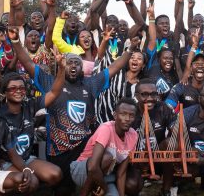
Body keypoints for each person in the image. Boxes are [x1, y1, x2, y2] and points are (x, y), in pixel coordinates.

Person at [10, 25, 138, 196]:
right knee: (64, 190)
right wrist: (15, 41)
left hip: (84, 148)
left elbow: (113, 68)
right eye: (69, 62)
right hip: (58, 150)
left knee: (98, 167)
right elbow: (27, 63)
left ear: (82, 68)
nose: (73, 66)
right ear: (62, 65)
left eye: (77, 63)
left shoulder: (91, 84)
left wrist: (129, 50)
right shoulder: (50, 82)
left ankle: (95, 187)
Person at [0, 52, 66, 187]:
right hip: (6, 161)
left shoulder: (30, 105)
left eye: (21, 88)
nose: (18, 91)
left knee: (55, 174)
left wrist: (62, 68)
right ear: (5, 92)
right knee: (30, 181)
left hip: (27, 159)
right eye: (13, 88)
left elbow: (54, 92)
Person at [70, 98, 140, 196]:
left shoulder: (133, 135)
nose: (127, 118)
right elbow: (93, 167)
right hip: (82, 171)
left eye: (131, 115)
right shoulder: (106, 128)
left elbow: (121, 173)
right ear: (115, 115)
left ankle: (96, 191)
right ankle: (84, 193)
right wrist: (104, 188)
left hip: (105, 176)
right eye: (123, 114)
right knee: (107, 157)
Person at [130, 78, 176, 195]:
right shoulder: (130, 110)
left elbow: (176, 131)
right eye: (144, 94)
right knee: (132, 186)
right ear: (136, 96)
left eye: (154, 94)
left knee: (170, 143)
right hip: (135, 158)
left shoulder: (162, 108)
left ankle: (166, 190)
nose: (150, 98)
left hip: (158, 156)